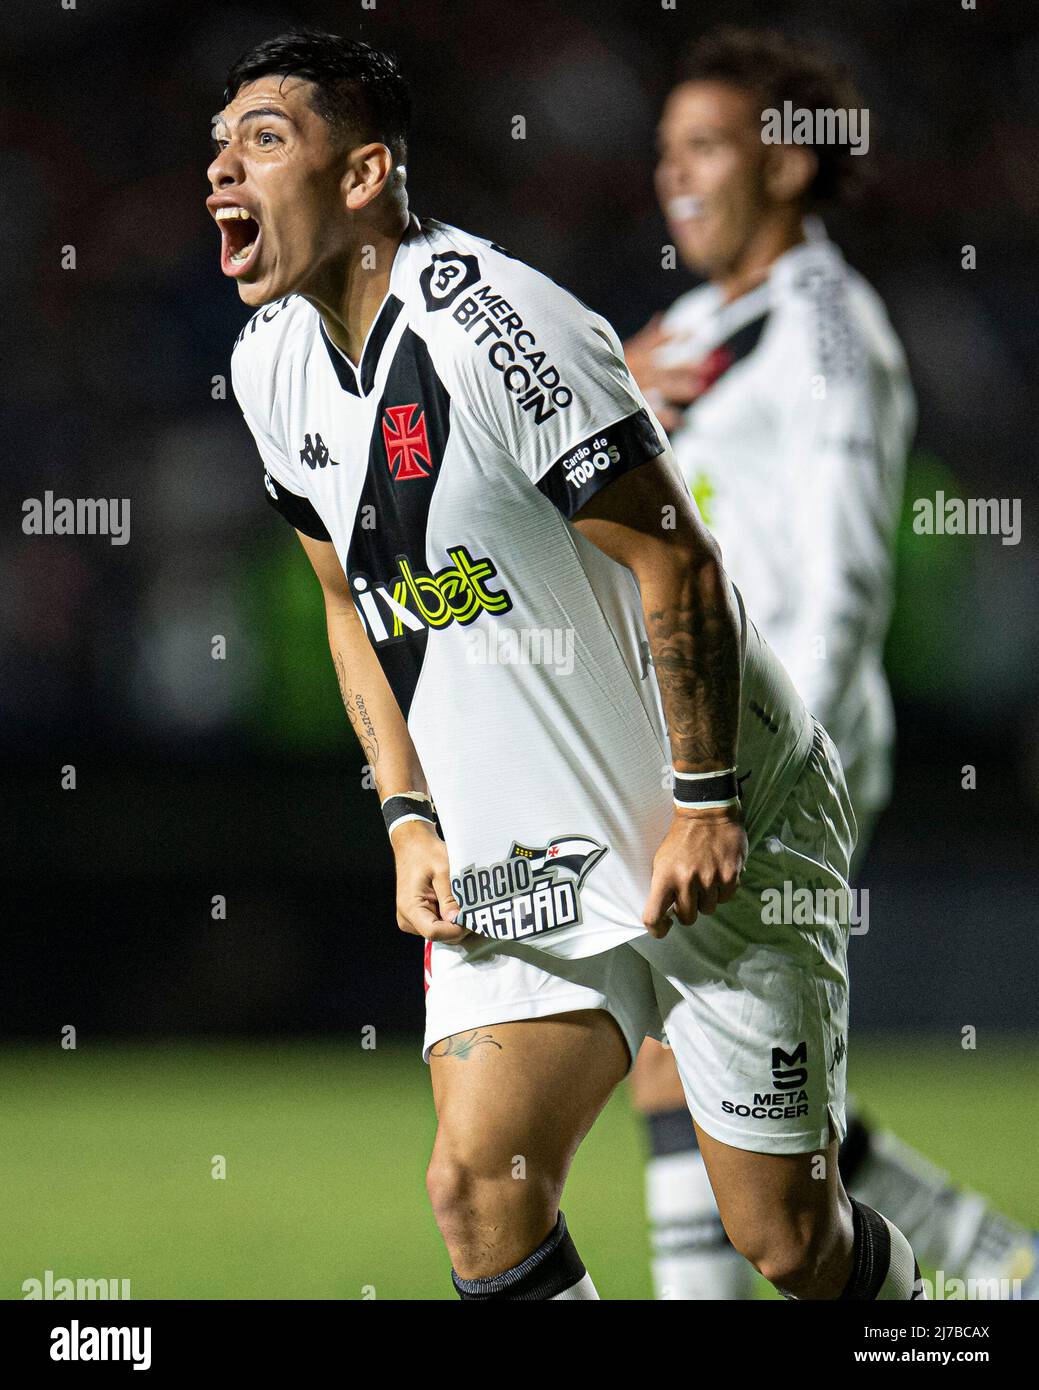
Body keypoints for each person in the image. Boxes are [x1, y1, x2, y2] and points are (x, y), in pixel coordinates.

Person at [212, 28, 924, 1299]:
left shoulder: (499, 327)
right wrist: (408, 816)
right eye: (217, 145)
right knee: (478, 1189)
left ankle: (928, 1311)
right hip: (524, 845)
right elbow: (343, 601)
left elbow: (679, 566)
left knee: (787, 1241)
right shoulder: (266, 366)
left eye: (264, 138)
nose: (222, 169)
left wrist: (705, 799)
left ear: (367, 172)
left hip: (715, 826)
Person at [623, 25, 1036, 1300]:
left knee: (692, 1050)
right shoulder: (696, 326)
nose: (674, 176)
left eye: (706, 146)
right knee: (709, 1061)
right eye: (663, 151)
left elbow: (850, 570)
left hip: (778, 744)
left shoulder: (830, 331)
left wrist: (754, 774)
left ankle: (962, 1267)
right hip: (698, 736)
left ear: (789, 167)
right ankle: (988, 1261)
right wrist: (617, 394)